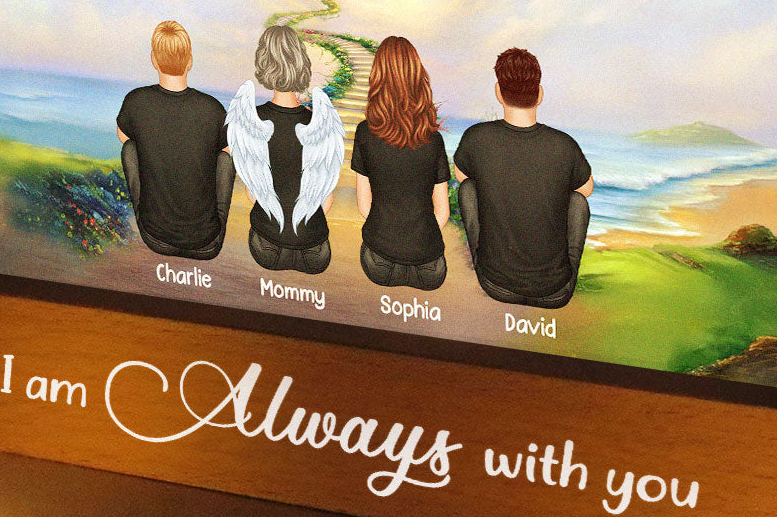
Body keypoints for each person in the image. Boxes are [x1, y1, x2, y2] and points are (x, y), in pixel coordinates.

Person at [453, 47, 593, 308]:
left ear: (498, 92)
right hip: (555, 293)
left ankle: (490, 264)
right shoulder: (563, 144)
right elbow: (586, 189)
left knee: (468, 188)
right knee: (577, 201)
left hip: (495, 285)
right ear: (540, 94)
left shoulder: (476, 137)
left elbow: (461, 175)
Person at [227, 24, 344, 275]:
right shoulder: (320, 122)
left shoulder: (251, 120)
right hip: (315, 252)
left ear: (263, 63)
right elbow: (327, 198)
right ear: (302, 64)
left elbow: (253, 193)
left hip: (266, 248)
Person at [116, 20, 234, 260]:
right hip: (207, 244)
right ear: (190, 61)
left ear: (153, 59)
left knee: (130, 149)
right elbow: (230, 149)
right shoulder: (212, 108)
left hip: (155, 238)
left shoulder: (136, 101)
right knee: (225, 158)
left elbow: (123, 136)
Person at [351, 36, 450, 291]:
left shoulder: (365, 133)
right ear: (417, 76)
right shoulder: (434, 140)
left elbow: (365, 207)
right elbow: (442, 213)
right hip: (430, 269)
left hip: (379, 263)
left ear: (377, 77)